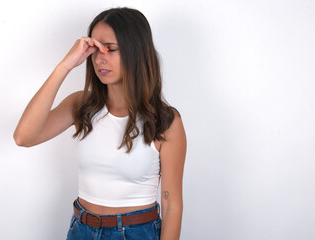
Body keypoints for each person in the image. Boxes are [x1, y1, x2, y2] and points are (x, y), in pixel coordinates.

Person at [13, 7, 187, 240]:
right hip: (81, 230)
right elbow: (24, 137)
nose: (99, 58)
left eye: (110, 49)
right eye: (95, 50)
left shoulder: (165, 121)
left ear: (137, 51)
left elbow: (172, 204)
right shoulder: (82, 106)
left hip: (137, 233)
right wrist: (64, 65)